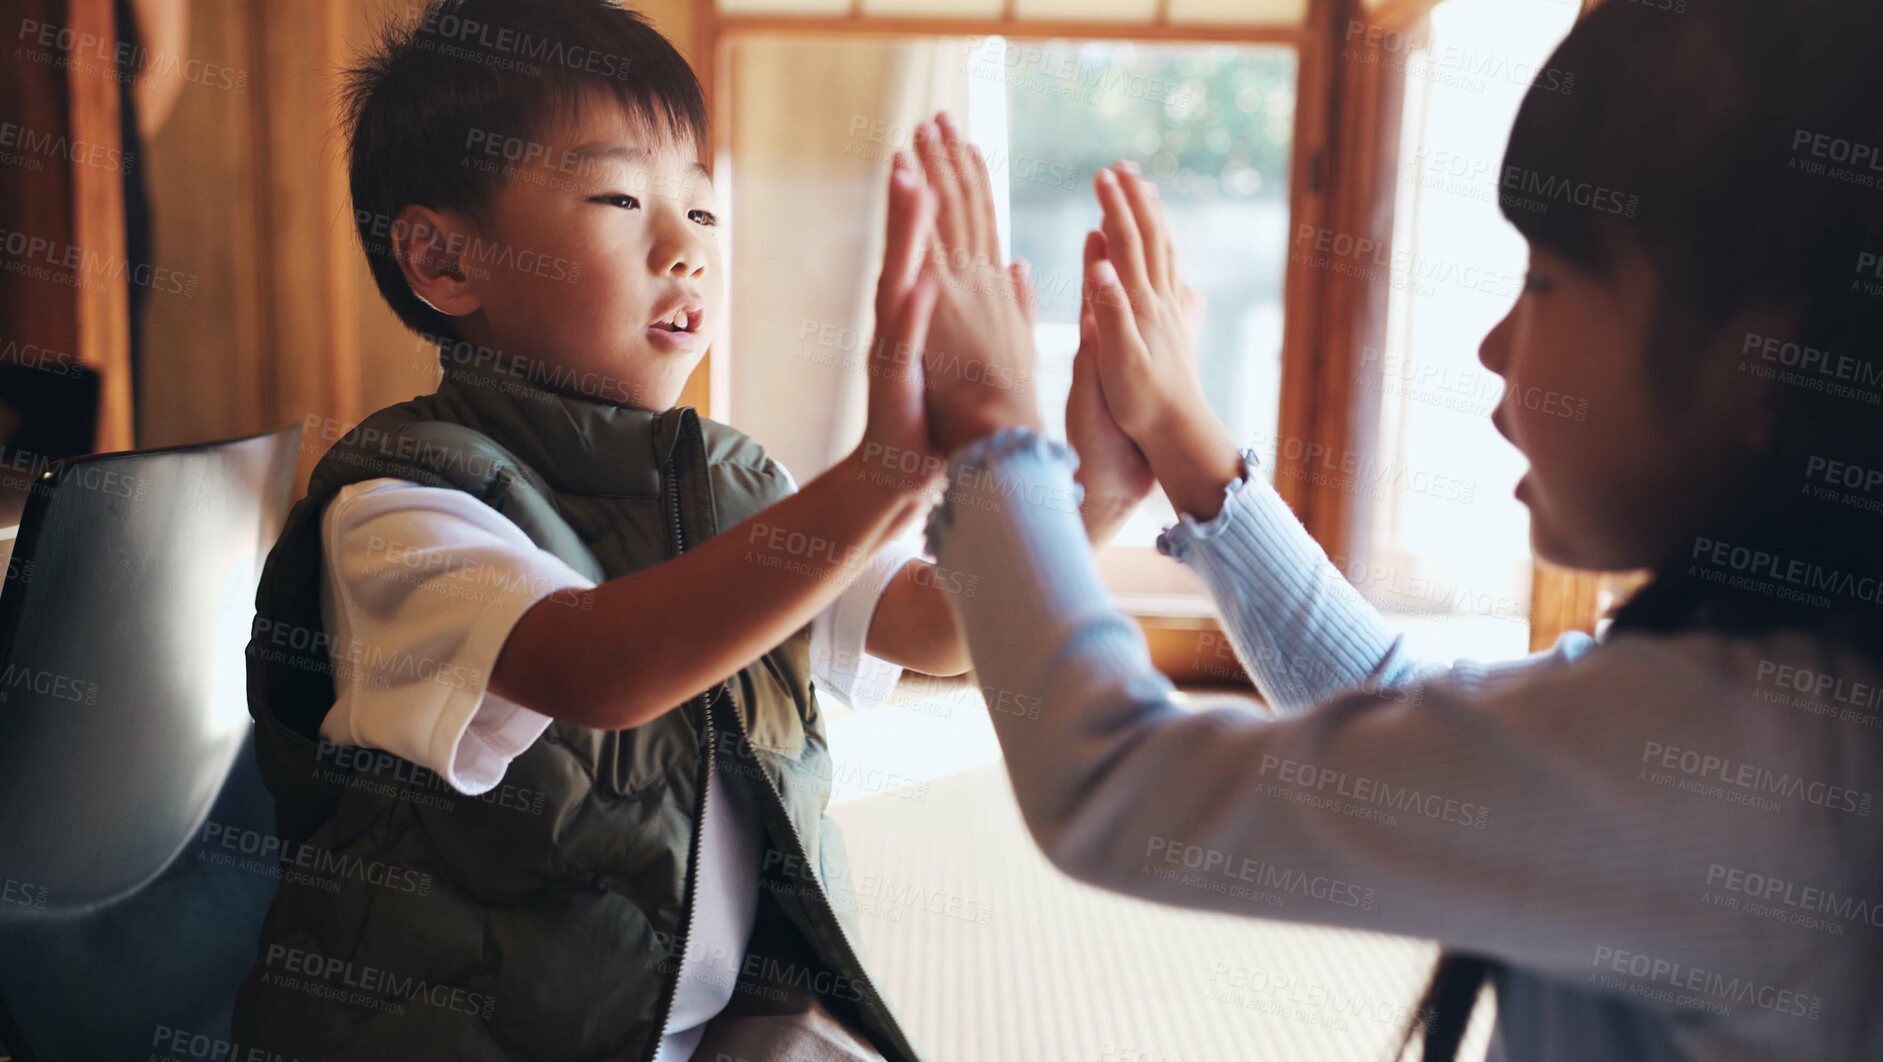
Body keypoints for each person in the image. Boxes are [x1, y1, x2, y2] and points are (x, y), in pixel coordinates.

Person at [904, 0, 1883, 1057]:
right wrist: (1186, 448)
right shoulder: (1783, 697)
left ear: (1761, 352)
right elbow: (1400, 706)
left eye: (1541, 278)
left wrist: (992, 435)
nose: (1494, 345)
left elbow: (1111, 785)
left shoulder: (1737, 760)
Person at [232, 3, 1127, 1057]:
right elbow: (597, 665)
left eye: (702, 212)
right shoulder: (402, 509)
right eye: (619, 197)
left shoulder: (731, 481)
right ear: (443, 260)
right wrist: (887, 471)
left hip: (705, 1020)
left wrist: (1093, 495)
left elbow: (934, 629)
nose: (684, 251)